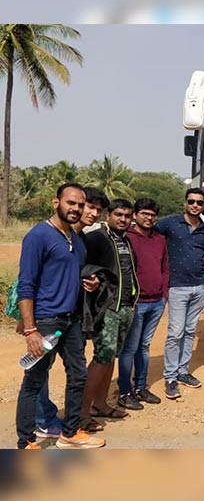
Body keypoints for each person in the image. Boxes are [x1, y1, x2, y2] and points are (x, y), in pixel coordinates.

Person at [15, 183, 105, 449]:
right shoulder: (38, 236)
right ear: (56, 203)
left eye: (80, 204)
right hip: (46, 320)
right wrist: (30, 329)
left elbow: (71, 273)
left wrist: (90, 283)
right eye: (71, 203)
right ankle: (26, 442)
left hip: (71, 319)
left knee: (78, 375)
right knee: (35, 380)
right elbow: (26, 284)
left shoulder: (76, 238)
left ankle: (70, 432)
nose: (76, 208)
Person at [79, 199, 140, 429]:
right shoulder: (96, 238)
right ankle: (82, 414)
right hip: (107, 309)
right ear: (109, 216)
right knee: (101, 357)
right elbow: (81, 266)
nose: (123, 219)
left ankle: (100, 404)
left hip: (125, 307)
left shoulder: (125, 240)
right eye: (119, 215)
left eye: (127, 216)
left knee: (110, 357)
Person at [154, 188, 204, 400]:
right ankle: (170, 376)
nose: (195, 205)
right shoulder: (169, 224)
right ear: (185, 203)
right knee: (175, 333)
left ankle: (182, 371)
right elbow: (148, 235)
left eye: (199, 202)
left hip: (199, 287)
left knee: (189, 332)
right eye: (191, 201)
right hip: (177, 287)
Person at [116, 197, 169, 410]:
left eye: (152, 215)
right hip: (136, 303)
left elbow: (165, 267)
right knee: (130, 348)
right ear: (136, 215)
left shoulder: (160, 239)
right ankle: (124, 391)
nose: (149, 218)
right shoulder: (126, 238)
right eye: (144, 213)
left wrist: (164, 295)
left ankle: (140, 387)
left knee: (144, 346)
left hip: (156, 302)